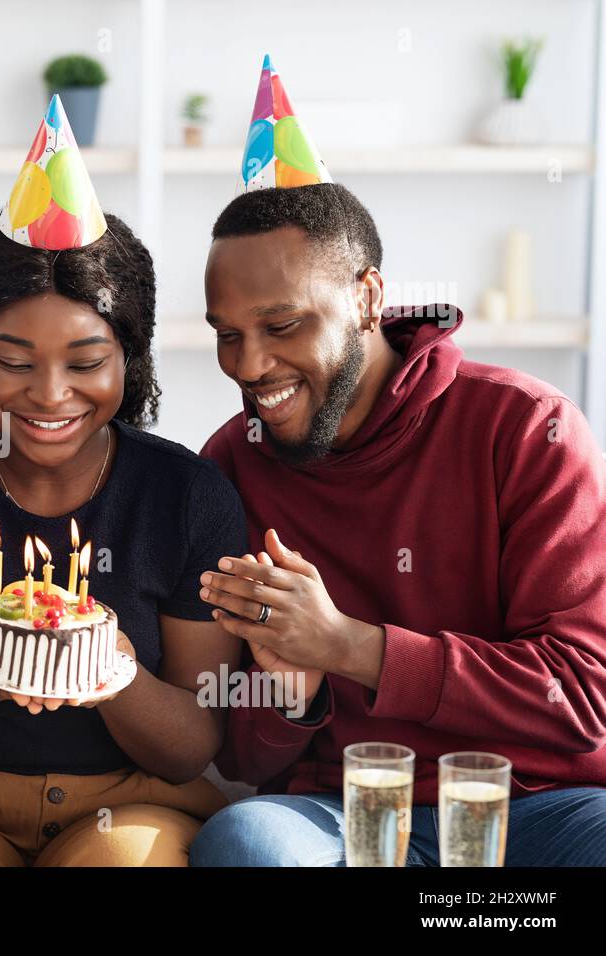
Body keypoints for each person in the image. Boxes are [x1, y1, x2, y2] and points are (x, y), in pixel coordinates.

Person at [189, 181, 606, 866]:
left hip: (540, 804)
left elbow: (582, 695)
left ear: (367, 299)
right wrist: (294, 697)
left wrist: (349, 646)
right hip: (338, 810)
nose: (250, 366)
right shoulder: (233, 462)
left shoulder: (528, 426)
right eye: (228, 336)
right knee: (245, 843)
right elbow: (237, 758)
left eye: (282, 325)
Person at [0, 187, 247, 865]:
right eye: (14, 362)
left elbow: (191, 747)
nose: (50, 394)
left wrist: (111, 669)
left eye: (85, 363)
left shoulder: (187, 497)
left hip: (130, 801)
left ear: (129, 357)